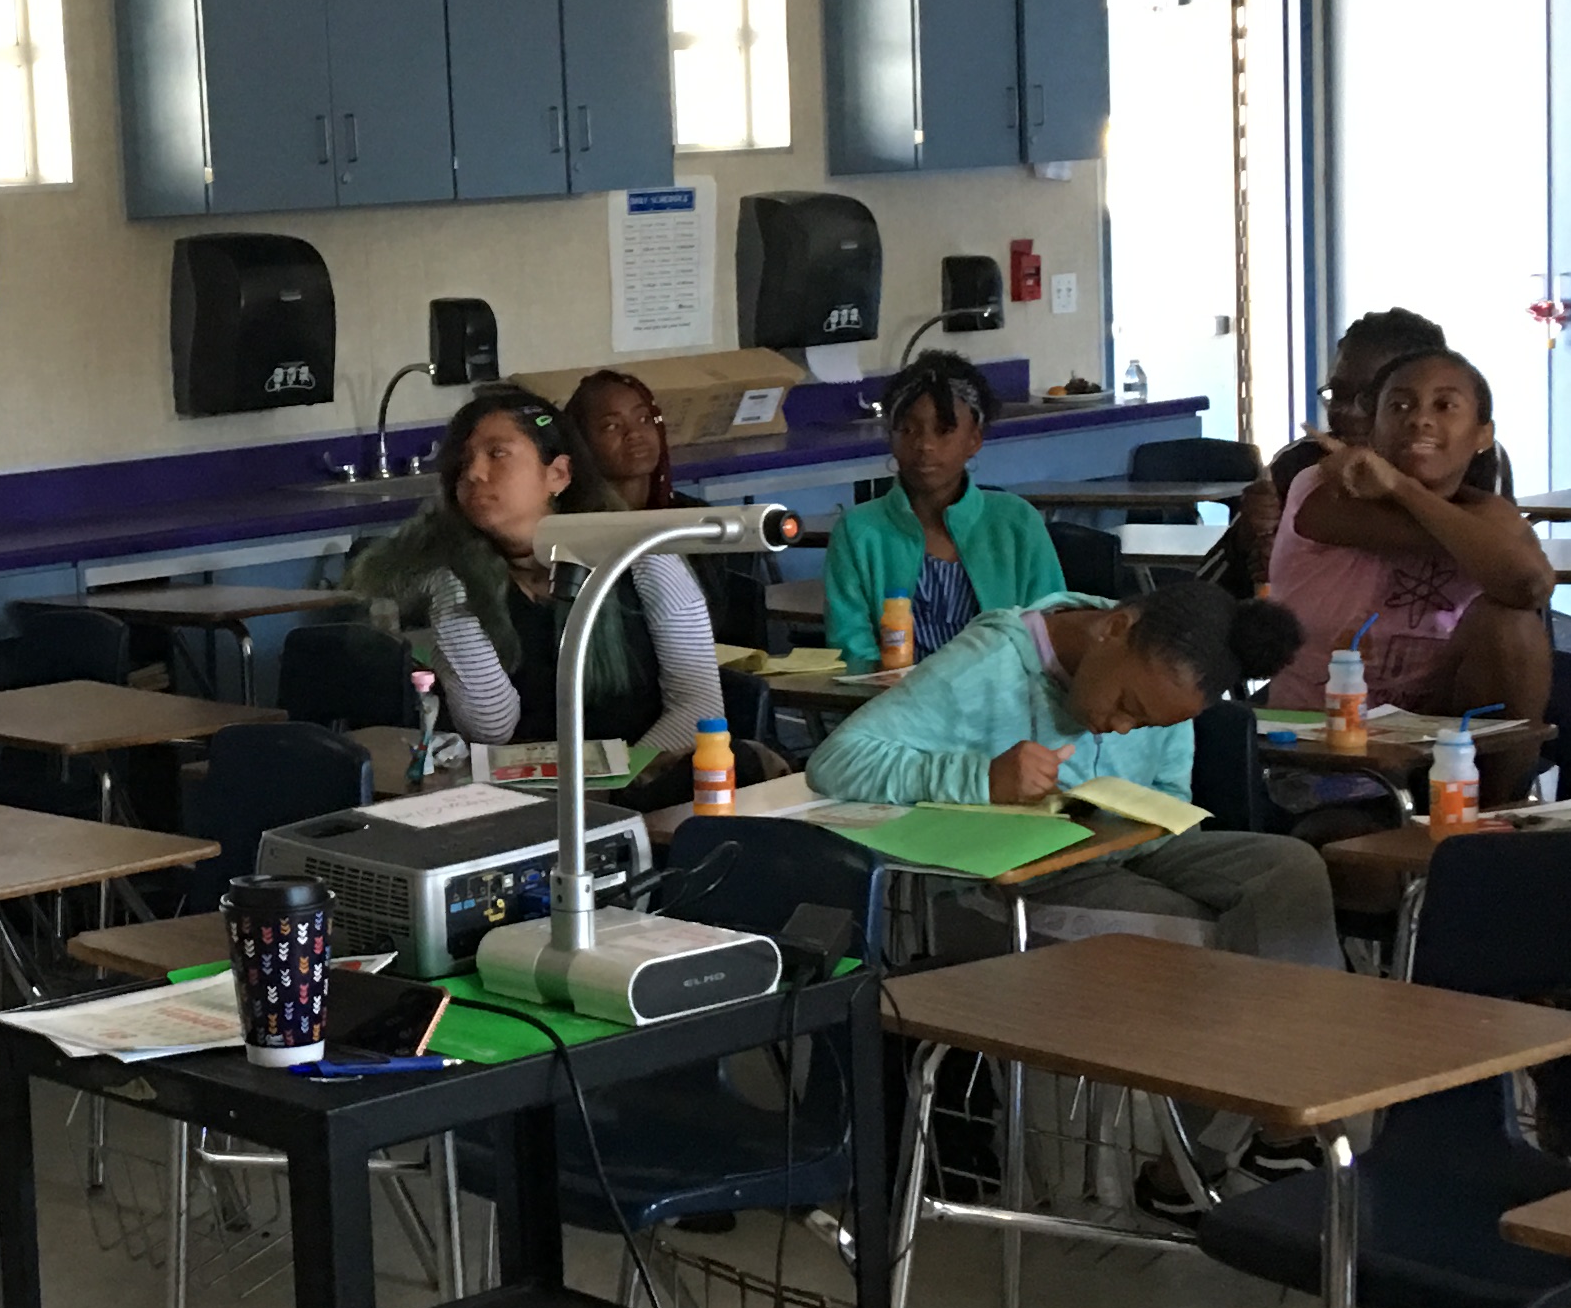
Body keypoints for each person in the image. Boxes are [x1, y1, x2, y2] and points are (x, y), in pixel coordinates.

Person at [804, 575, 1341, 972]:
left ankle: (1302, 1079)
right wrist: (981, 778)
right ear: (1114, 628)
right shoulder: (987, 664)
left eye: (1146, 724)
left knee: (1290, 871)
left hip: (1126, 854)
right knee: (1189, 929)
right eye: (1127, 706)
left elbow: (1171, 793)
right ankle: (1242, 1089)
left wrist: (1115, 823)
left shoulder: (1169, 673)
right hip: (1008, 884)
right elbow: (837, 760)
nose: (1122, 727)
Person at [348, 386, 726, 799]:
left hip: (648, 787)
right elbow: (491, 727)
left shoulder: (643, 557)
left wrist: (617, 785)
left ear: (558, 474)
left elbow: (699, 707)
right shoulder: (457, 579)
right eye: (462, 463)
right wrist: (450, 586)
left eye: (497, 454)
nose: (474, 474)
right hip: (523, 799)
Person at [1261, 344, 1555, 722]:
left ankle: (1498, 766)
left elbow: (1530, 586)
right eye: (1399, 406)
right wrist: (1488, 532)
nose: (1420, 420)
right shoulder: (1324, 489)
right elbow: (1518, 569)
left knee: (1513, 625)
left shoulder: (1488, 513)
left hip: (1438, 732)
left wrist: (1400, 487)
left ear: (1483, 435)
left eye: (1444, 406)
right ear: (1372, 429)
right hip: (1315, 730)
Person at [822, 351, 1064, 667]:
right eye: (908, 430)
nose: (924, 445)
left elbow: (1049, 636)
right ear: (891, 438)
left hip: (1004, 694)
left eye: (943, 430)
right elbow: (852, 649)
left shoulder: (1017, 523)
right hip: (893, 695)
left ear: (974, 439)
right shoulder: (858, 532)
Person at [1207, 305, 1448, 597]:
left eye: (1370, 399)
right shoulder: (1300, 463)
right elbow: (1207, 584)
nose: (1347, 412)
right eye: (1337, 394)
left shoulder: (1461, 465)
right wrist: (1246, 539)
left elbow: (1488, 571)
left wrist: (1297, 559)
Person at [564, 366, 769, 648]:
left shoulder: (694, 517)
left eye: (644, 419)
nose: (634, 433)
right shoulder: (575, 528)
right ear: (581, 443)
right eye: (612, 426)